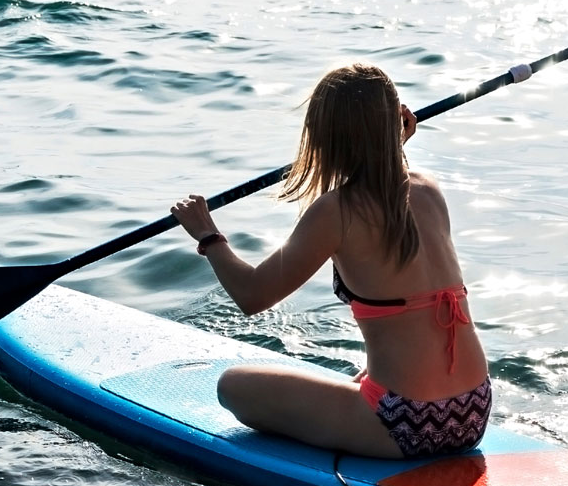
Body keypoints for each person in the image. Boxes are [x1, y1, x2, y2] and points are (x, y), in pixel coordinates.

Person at [170, 63, 491, 459]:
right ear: (398, 120)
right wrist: (394, 148)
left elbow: (251, 295)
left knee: (232, 386)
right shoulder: (428, 189)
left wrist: (208, 235)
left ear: (325, 137)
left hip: (404, 423)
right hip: (474, 411)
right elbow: (391, 199)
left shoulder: (336, 212)